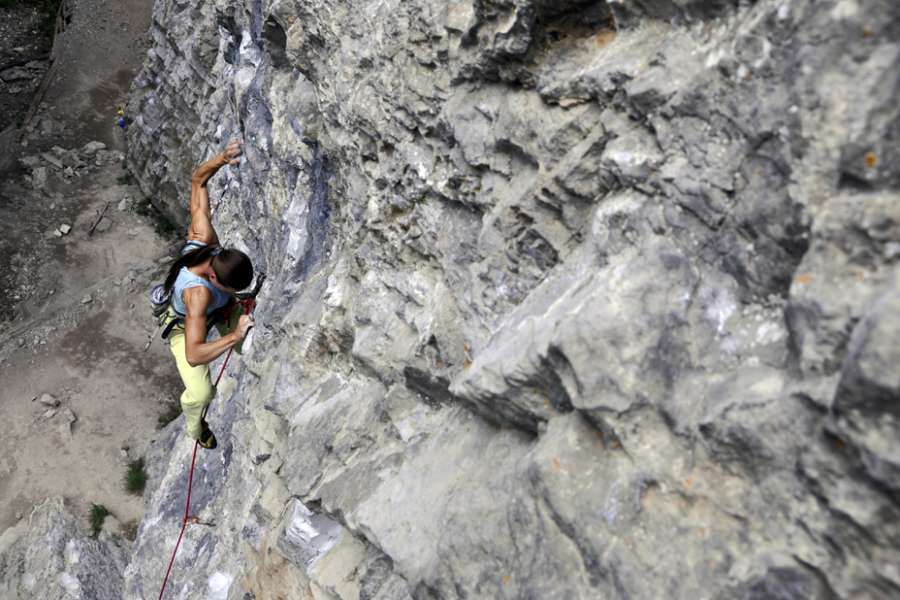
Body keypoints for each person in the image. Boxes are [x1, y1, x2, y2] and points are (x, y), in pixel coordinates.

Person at [161, 139, 255, 449]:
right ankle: (194, 426)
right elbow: (194, 353)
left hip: (219, 308)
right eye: (233, 288)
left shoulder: (204, 237)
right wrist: (234, 336)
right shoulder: (197, 295)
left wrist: (222, 158)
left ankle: (236, 320)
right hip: (184, 325)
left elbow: (198, 179)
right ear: (214, 276)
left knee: (253, 337)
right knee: (202, 394)